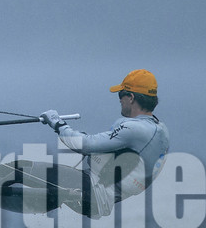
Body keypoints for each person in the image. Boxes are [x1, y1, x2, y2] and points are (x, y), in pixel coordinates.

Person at [37, 68, 170, 214]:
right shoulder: (160, 130)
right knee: (48, 186)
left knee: (18, 169)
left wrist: (57, 123)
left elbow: (85, 145)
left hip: (91, 193)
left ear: (131, 98)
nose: (119, 100)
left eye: (121, 94)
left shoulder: (135, 129)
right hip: (102, 197)